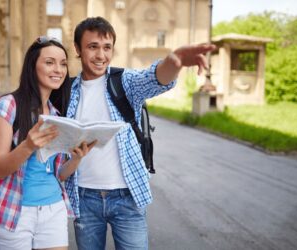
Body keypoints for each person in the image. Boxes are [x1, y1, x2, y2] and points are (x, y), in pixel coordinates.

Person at [64, 16, 216, 250]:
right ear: (77, 49)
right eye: (93, 47)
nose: (101, 55)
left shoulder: (123, 82)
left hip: (127, 197)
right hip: (84, 198)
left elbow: (153, 79)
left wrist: (174, 63)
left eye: (107, 48)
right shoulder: (67, 91)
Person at [0, 36, 95, 250]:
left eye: (63, 64)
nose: (58, 69)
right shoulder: (8, 105)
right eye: (49, 62)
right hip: (15, 211)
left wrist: (77, 158)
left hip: (54, 209)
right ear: (32, 66)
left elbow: (58, 174)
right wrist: (27, 146)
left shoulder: (55, 114)